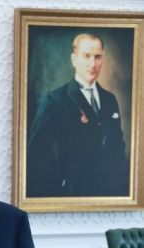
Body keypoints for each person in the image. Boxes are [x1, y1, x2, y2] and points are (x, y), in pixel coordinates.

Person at [27, 32, 129, 197]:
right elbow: (37, 152)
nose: (93, 64)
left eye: (97, 57)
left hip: (107, 193)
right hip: (71, 193)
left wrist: (115, 180)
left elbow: (118, 144)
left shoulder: (109, 99)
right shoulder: (55, 100)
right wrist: (60, 185)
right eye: (86, 56)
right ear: (74, 59)